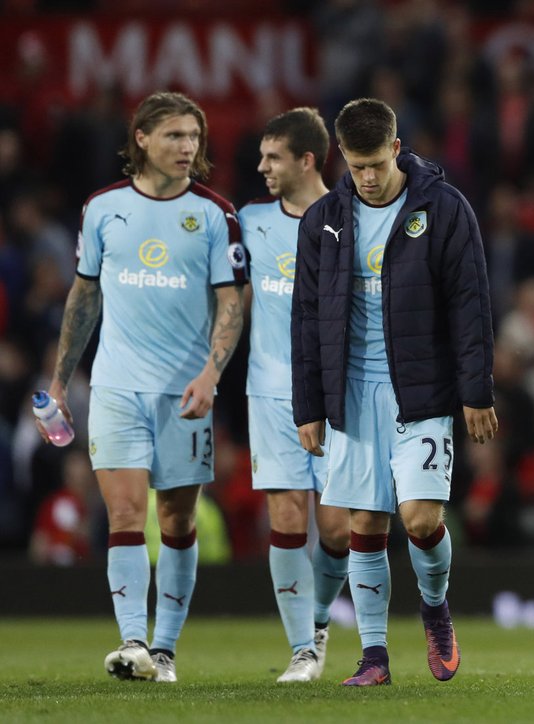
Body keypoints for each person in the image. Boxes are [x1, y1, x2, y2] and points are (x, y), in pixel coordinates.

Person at [38, 91, 247, 682]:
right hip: (116, 386)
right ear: (142, 139)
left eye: (194, 138)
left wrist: (212, 373)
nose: (188, 148)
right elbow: (84, 296)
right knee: (126, 512)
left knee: (177, 522)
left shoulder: (213, 213)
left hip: (185, 394)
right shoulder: (102, 209)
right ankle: (133, 642)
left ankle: (166, 649)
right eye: (176, 136)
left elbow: (231, 302)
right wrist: (59, 381)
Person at [291, 98, 497, 687]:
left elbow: (471, 303)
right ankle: (374, 657)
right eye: (358, 167)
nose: (370, 178)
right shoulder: (324, 220)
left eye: (378, 163)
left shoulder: (443, 208)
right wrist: (309, 406)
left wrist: (475, 391)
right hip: (352, 393)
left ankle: (434, 608)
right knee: (365, 526)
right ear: (343, 162)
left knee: (420, 518)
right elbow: (307, 319)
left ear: (397, 150)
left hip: (422, 392)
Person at [239, 107, 353, 683]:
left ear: (307, 160)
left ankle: (318, 622)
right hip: (270, 391)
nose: (261, 166)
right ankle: (303, 651)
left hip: (338, 396)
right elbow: (229, 300)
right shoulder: (249, 221)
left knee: (335, 529)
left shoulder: (352, 217)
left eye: (272, 157)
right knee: (286, 515)